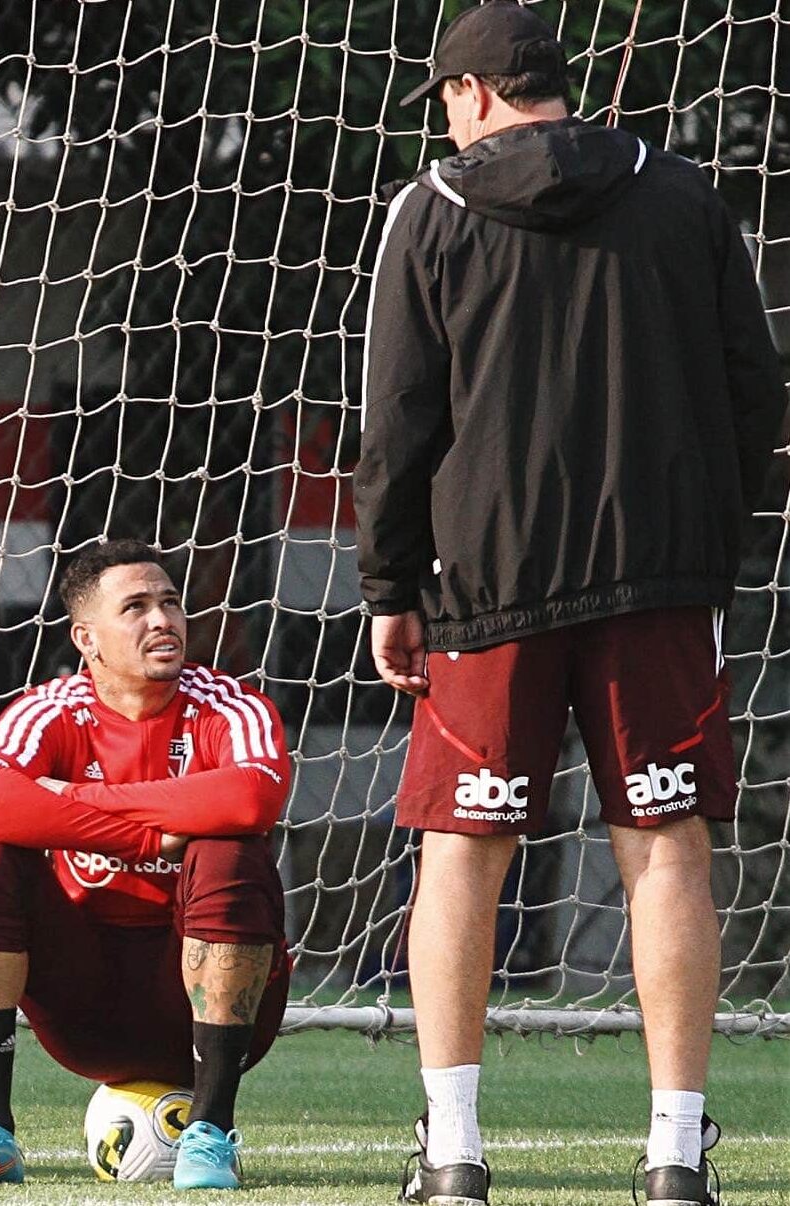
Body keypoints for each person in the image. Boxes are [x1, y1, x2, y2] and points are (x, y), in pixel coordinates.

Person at [355, 4, 786, 1204]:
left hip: (484, 582)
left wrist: (390, 586)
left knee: (461, 851)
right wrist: (711, 529)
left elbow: (396, 423)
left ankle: (451, 1150)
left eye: (445, 96)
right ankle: (672, 1151)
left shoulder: (431, 209)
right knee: (665, 847)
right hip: (657, 577)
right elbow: (757, 383)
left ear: (475, 94)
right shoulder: (684, 195)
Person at [0, 539, 291, 1191]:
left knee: (230, 851)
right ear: (86, 637)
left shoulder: (229, 706)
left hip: (201, 1003)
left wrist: (82, 798)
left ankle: (211, 1131)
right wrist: (148, 839)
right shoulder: (53, 710)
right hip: (83, 1000)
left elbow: (251, 796)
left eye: (170, 603)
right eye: (137, 607)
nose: (162, 620)